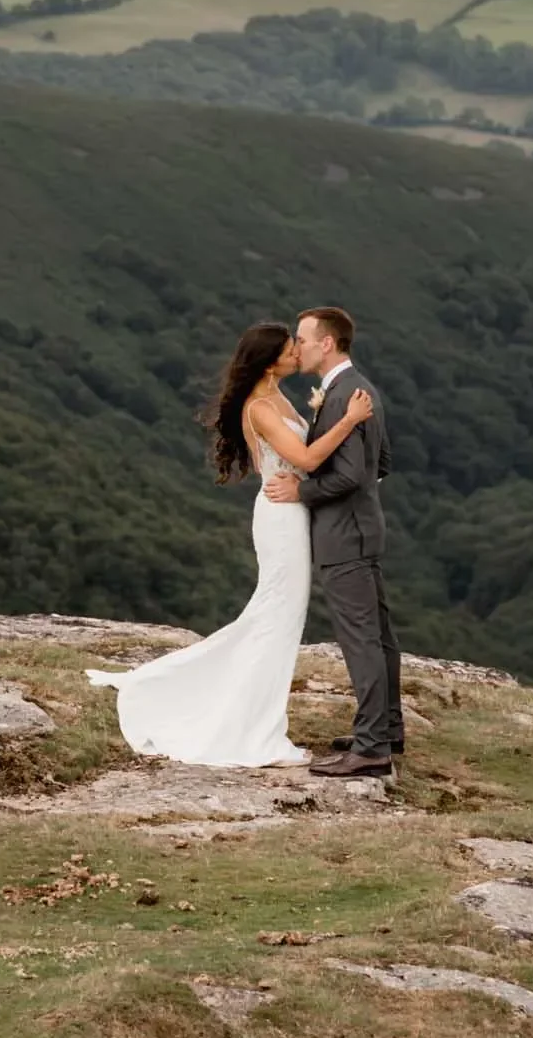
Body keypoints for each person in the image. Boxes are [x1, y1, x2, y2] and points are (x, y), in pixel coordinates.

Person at [87, 321, 374, 767]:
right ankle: (253, 730)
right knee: (276, 618)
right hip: (280, 518)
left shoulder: (277, 395)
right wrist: (350, 421)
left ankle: (238, 710)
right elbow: (306, 458)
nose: (297, 352)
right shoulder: (259, 406)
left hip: (294, 512)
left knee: (276, 618)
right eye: (288, 348)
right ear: (269, 360)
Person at [263, 306, 399, 778]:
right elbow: (380, 462)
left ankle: (372, 748)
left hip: (344, 536)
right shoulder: (356, 388)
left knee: (362, 641)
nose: (296, 348)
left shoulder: (342, 396)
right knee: (378, 637)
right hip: (362, 528)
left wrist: (303, 490)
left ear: (327, 344)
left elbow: (352, 473)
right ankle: (388, 729)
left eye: (301, 339)